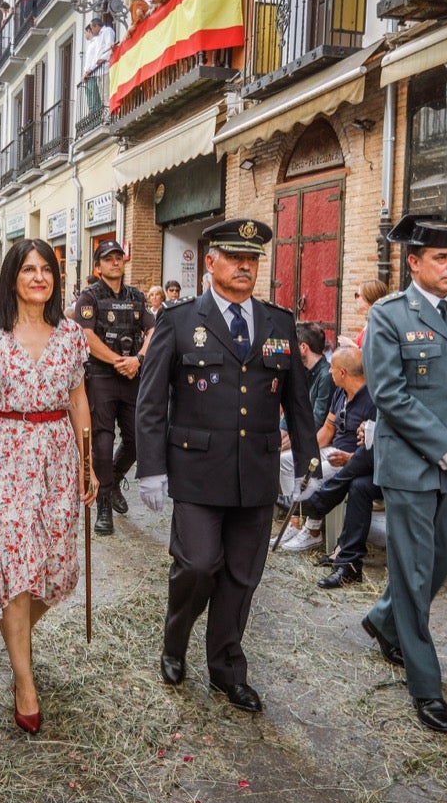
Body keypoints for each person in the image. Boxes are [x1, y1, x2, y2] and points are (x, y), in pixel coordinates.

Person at [136, 218, 319, 713]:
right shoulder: (177, 320)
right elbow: (151, 403)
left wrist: (309, 462)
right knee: (197, 565)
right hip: (196, 471)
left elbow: (298, 404)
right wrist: (151, 468)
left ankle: (226, 668)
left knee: (242, 575)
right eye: (235, 257)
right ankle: (175, 640)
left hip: (255, 473)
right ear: (210, 261)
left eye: (253, 259)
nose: (244, 266)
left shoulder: (278, 322)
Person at [359, 214, 447, 734]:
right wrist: (444, 447)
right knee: (414, 573)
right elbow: (389, 394)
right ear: (414, 262)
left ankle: (382, 619)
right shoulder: (390, 315)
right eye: (441, 258)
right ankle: (425, 682)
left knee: (439, 563)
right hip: (411, 466)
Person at [0, 240, 94, 732]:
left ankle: (14, 631)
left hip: (58, 457)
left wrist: (88, 462)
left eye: (47, 270)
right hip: (4, 454)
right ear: (12, 276)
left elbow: (79, 403)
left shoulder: (73, 336)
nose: (39, 277)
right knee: (13, 564)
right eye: (29, 269)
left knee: (57, 571)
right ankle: (25, 681)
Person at [72, 239, 153, 535]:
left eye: (119, 257)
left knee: (137, 439)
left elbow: (153, 329)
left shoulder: (136, 297)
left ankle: (115, 479)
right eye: (108, 259)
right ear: (98, 266)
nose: (115, 262)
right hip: (102, 378)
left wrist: (139, 358)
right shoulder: (89, 298)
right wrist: (120, 360)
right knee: (102, 446)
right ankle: (103, 504)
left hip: (132, 377)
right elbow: (85, 336)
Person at [295, 348, 380, 578]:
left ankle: (318, 505)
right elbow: (330, 428)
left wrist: (359, 448)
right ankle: (345, 556)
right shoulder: (342, 394)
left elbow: (376, 449)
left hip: (379, 465)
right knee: (358, 485)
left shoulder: (375, 397)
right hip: (364, 462)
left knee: (356, 477)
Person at [275, 321, 336, 550]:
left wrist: (294, 443)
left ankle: (309, 527)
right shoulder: (302, 372)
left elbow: (317, 421)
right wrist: (279, 437)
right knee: (278, 457)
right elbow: (291, 410)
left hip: (320, 441)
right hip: (306, 437)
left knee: (291, 461)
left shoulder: (325, 375)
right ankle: (294, 521)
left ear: (302, 347)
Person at [340, 279, 390, 349]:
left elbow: (375, 354)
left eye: (358, 295)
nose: (356, 298)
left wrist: (351, 345)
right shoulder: (373, 319)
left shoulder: (378, 322)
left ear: (369, 296)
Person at [80, 18, 114, 114]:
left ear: (96, 26)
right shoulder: (98, 37)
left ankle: (109, 116)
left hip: (106, 68)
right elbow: (96, 56)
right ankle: (106, 115)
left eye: (92, 28)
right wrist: (90, 69)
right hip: (98, 70)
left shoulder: (107, 31)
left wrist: (103, 58)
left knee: (106, 94)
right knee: (102, 96)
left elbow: (110, 47)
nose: (91, 30)